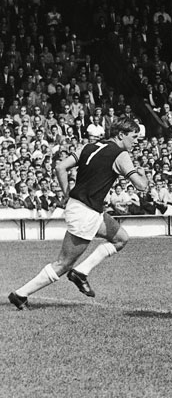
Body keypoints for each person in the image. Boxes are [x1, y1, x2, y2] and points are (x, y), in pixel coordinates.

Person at [8, 118, 148, 310]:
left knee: (121, 238)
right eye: (134, 136)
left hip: (85, 207)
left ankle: (81, 272)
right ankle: (20, 294)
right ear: (121, 134)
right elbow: (142, 186)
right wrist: (142, 172)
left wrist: (67, 192)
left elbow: (60, 167)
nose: (137, 141)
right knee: (63, 263)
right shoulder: (121, 154)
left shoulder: (88, 146)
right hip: (85, 212)